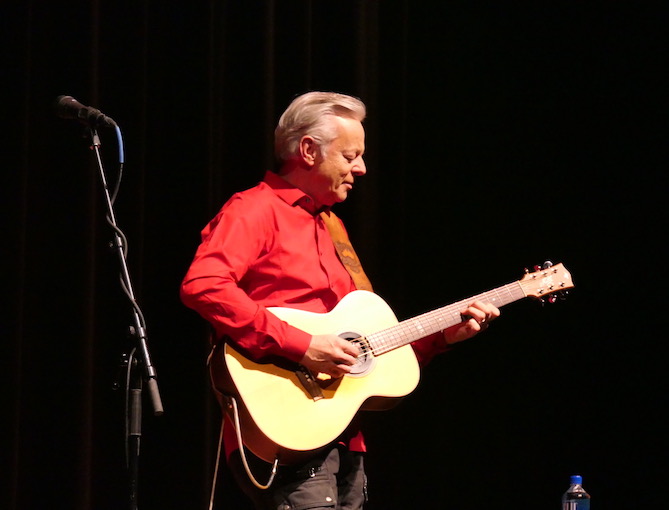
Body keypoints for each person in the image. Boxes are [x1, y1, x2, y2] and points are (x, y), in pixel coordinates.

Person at [180, 91, 499, 510]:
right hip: (286, 429)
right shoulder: (254, 209)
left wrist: (441, 338)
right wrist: (303, 345)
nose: (361, 168)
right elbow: (204, 285)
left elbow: (365, 344)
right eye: (350, 156)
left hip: (342, 432)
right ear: (309, 150)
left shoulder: (333, 227)